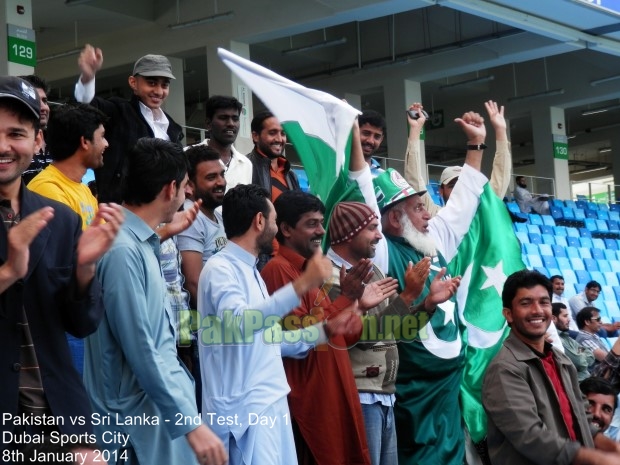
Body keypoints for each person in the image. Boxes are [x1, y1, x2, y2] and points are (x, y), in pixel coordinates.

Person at [83, 138, 227, 465]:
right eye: (186, 186)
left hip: (151, 427)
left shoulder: (139, 241)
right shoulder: (122, 251)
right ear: (171, 188)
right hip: (132, 436)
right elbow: (142, 348)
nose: (188, 194)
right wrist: (190, 423)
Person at [0, 76, 123, 447]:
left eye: (16, 134)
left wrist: (85, 270)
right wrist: (8, 272)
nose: (3, 146)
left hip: (58, 423)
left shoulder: (60, 218)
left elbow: (81, 324)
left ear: (37, 141)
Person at [198, 183, 361, 465]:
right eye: (273, 220)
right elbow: (241, 324)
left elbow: (271, 341)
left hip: (269, 406)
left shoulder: (252, 272)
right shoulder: (219, 269)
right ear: (259, 221)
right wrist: (302, 285)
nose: (274, 227)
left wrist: (324, 331)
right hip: (244, 415)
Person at [368, 111, 488, 464]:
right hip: (413, 390)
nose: (429, 213)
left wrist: (475, 144)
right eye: (418, 207)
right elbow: (363, 192)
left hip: (447, 387)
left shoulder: (431, 239)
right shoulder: (383, 250)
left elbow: (465, 201)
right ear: (393, 218)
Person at [325, 200, 461, 465]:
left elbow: (396, 332)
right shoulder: (328, 278)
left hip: (385, 395)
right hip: (359, 395)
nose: (379, 235)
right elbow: (362, 339)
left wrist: (427, 304)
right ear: (350, 233)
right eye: (372, 228)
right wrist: (408, 295)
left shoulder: (373, 271)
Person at [262, 191, 384, 465]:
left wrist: (357, 306)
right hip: (312, 403)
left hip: (333, 394)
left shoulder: (309, 271)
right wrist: (345, 299)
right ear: (286, 229)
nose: (321, 231)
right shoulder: (279, 270)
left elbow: (342, 334)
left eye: (321, 222)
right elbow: (306, 336)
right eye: (311, 224)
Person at [483, 269, 620, 465]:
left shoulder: (560, 360)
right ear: (509, 314)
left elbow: (582, 416)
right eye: (526, 303)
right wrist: (597, 459)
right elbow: (529, 437)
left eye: (544, 302)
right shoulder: (504, 369)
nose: (537, 310)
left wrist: (611, 447)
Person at [74, 44, 184, 203]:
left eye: (164, 85)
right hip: (120, 214)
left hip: (162, 216)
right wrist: (87, 78)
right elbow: (86, 107)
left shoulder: (172, 128)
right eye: (152, 83)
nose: (159, 91)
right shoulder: (119, 111)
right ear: (133, 82)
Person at [405, 100, 512, 215]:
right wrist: (415, 130)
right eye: (452, 186)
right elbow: (414, 179)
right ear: (441, 191)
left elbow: (501, 178)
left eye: (462, 185)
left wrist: (501, 131)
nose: (458, 191)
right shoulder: (436, 216)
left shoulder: (481, 216)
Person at [27, 103, 107, 229]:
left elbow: (103, 237)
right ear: (84, 142)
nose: (106, 144)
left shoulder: (83, 189)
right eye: (102, 136)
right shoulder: (48, 190)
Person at [177, 145, 228, 308]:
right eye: (211, 177)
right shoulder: (190, 218)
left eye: (222, 174)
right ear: (189, 186)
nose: (221, 182)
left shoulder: (217, 215)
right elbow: (193, 282)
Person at [186, 95, 252, 190]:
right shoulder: (187, 155)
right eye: (223, 118)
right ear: (208, 124)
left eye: (235, 118)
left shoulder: (246, 164)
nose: (231, 124)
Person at [246, 110, 299, 196]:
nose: (279, 139)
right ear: (255, 136)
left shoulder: (291, 174)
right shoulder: (244, 168)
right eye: (272, 133)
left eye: (283, 133)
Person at [19, 75, 52, 184]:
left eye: (45, 101)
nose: (43, 107)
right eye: (36, 100)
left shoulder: (59, 142)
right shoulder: (13, 146)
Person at [552, 302, 595, 380]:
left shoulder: (566, 337)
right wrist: (581, 352)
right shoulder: (557, 340)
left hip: (587, 381)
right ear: (553, 319)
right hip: (579, 386)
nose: (569, 320)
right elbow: (580, 363)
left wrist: (579, 353)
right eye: (565, 316)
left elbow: (591, 356)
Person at [358, 110, 387, 176]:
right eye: (366, 133)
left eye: (377, 137)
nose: (370, 141)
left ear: (381, 139)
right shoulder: (339, 168)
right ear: (354, 132)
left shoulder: (383, 177)